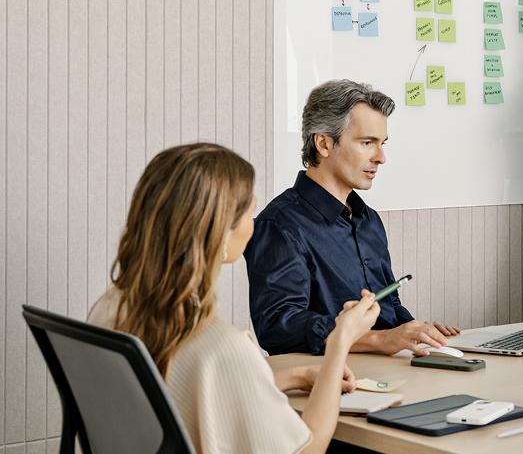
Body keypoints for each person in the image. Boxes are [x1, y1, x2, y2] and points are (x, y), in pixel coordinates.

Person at [88, 143, 381, 453]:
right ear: (219, 231)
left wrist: (295, 376)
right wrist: (339, 341)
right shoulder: (221, 348)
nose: (254, 225)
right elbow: (310, 449)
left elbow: (195, 386)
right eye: (249, 213)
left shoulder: (112, 308)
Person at [245, 80, 459, 356]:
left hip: (389, 369)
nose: (381, 157)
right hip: (329, 376)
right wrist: (379, 340)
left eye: (382, 143)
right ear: (324, 143)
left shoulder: (369, 220)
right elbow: (278, 327)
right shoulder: (280, 225)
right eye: (367, 143)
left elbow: (388, 304)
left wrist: (415, 330)